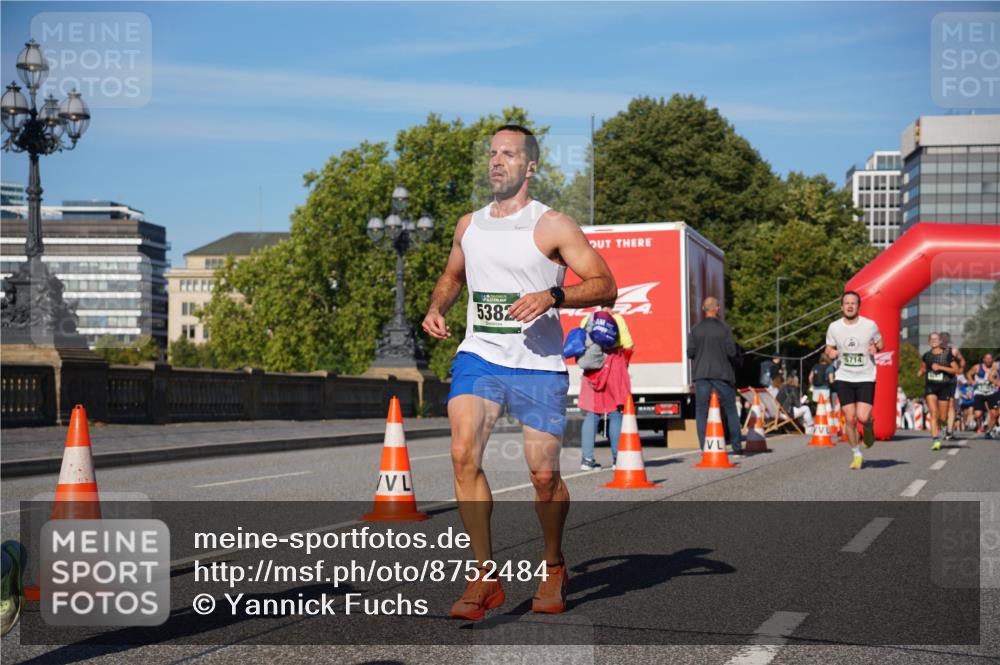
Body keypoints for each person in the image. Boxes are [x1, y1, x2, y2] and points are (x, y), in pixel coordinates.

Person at [421, 124, 616, 620]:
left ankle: (553, 565)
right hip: (479, 356)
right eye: (492, 154)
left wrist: (553, 295)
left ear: (530, 166)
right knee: (463, 453)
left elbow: (604, 285)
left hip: (537, 365)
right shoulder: (469, 225)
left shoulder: (553, 225)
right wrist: (437, 306)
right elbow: (452, 276)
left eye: (508, 154)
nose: (496, 162)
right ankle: (484, 577)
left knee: (543, 475)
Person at [825, 291, 883, 470]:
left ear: (858, 306)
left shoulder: (870, 325)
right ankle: (856, 454)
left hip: (865, 376)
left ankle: (868, 427)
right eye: (846, 303)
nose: (850, 306)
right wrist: (831, 353)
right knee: (849, 419)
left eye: (853, 303)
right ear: (841, 307)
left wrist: (876, 347)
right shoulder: (834, 327)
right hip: (844, 376)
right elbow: (829, 347)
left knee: (863, 416)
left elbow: (881, 344)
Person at [577, 303, 634, 471]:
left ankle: (587, 459)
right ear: (613, 303)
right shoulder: (617, 319)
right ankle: (618, 459)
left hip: (592, 370)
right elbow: (628, 344)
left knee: (591, 414)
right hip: (613, 367)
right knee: (615, 413)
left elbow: (581, 343)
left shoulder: (586, 319)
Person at [687, 296, 743, 454]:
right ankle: (737, 447)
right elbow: (731, 351)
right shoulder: (724, 328)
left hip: (701, 374)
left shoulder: (696, 329)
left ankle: (705, 447)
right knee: (731, 408)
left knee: (701, 411)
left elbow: (690, 352)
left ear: (703, 309)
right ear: (717, 308)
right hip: (722, 374)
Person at [918, 332, 960, 451]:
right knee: (933, 413)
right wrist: (920, 372)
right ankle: (936, 440)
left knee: (942, 417)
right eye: (931, 339)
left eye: (936, 339)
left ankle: (943, 426)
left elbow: (956, 370)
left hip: (944, 387)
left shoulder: (947, 355)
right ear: (929, 341)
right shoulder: (926, 355)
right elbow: (923, 367)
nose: (934, 340)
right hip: (931, 387)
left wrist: (941, 367)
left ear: (940, 341)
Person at [939, 332, 966, 440]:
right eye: (942, 338)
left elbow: (962, 360)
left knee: (951, 405)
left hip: (950, 380)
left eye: (946, 339)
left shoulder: (954, 350)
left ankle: (949, 430)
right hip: (938, 381)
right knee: (940, 407)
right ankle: (944, 427)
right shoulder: (935, 350)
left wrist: (961, 369)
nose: (944, 340)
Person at [967, 352, 1000, 438]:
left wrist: (996, 382)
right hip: (979, 392)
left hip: (992, 392)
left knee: (994, 414)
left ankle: (988, 430)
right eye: (987, 358)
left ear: (992, 359)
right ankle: (979, 425)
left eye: (990, 358)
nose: (989, 360)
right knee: (978, 414)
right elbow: (968, 373)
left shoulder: (995, 367)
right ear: (983, 359)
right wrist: (972, 381)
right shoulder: (977, 367)